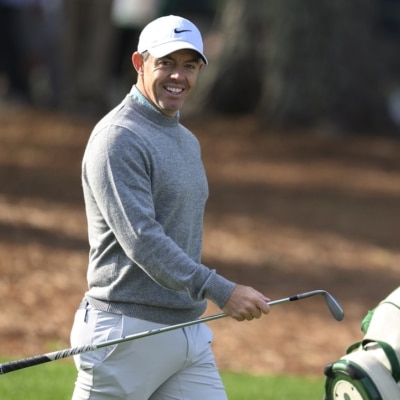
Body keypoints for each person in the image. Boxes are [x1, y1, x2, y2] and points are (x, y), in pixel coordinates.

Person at [70, 15, 271, 400]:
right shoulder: (118, 137)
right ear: (139, 63)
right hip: (124, 334)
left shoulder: (185, 140)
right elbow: (142, 240)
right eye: (166, 63)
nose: (179, 76)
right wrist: (221, 290)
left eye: (189, 66)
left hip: (186, 332)